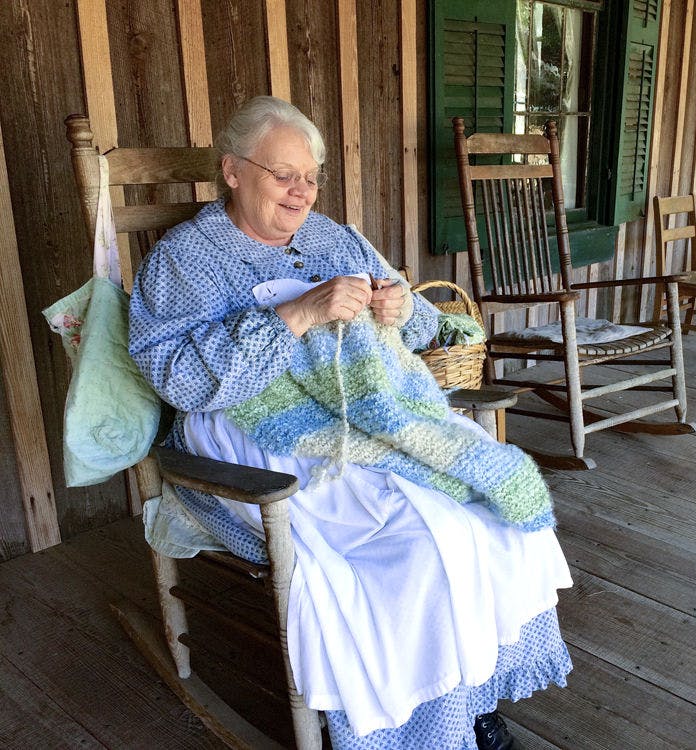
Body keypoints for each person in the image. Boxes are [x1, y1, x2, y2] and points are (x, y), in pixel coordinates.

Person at [129, 95, 573, 750]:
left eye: (310, 177)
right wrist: (299, 314)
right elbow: (180, 380)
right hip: (261, 433)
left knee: (488, 515)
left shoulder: (333, 237)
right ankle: (418, 728)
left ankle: (471, 699)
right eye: (283, 175)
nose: (300, 192)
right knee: (412, 551)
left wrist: (397, 307)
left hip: (369, 417)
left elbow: (422, 325)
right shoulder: (184, 260)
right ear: (232, 170)